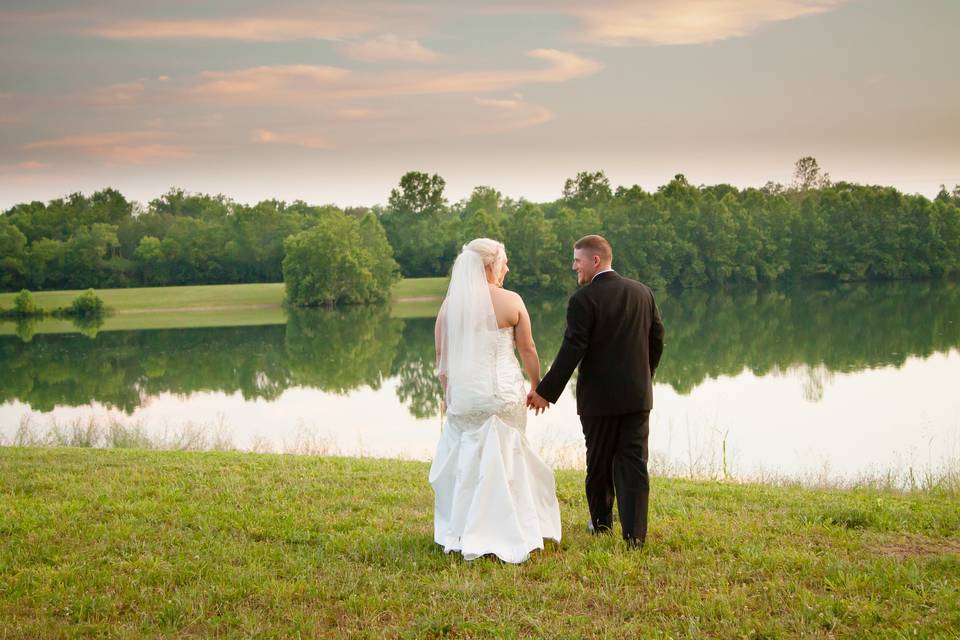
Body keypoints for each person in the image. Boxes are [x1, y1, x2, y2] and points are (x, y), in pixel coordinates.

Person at [429, 238, 562, 563]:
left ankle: (462, 530)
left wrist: (449, 396)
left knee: (468, 461)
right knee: (508, 459)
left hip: (467, 397)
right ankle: (513, 526)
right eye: (504, 262)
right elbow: (527, 349)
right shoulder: (511, 300)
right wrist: (536, 385)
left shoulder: (450, 307)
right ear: (490, 266)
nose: (507, 268)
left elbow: (441, 358)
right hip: (503, 396)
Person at [528, 234, 664, 548]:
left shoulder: (583, 300)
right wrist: (644, 376)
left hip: (599, 401)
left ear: (595, 260)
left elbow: (572, 348)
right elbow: (657, 339)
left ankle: (602, 524)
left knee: (599, 462)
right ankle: (635, 537)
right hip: (636, 397)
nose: (574, 267)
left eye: (577, 260)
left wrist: (545, 392)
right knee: (634, 463)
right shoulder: (643, 293)